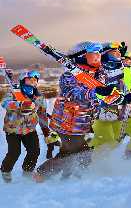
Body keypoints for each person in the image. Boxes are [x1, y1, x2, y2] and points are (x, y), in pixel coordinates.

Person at [34, 42, 123, 181]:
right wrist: (98, 92)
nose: (99, 56)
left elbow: (98, 99)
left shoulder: (100, 74)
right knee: (81, 153)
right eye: (95, 52)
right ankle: (47, 175)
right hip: (67, 122)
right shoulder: (70, 75)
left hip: (82, 122)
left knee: (68, 152)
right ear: (82, 55)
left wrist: (112, 98)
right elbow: (73, 94)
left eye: (100, 52)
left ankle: (59, 176)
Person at [0, 70, 53, 183]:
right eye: (30, 79)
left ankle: (27, 171)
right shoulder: (14, 92)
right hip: (13, 129)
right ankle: (5, 170)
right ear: (23, 80)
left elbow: (42, 115)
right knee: (14, 152)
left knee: (34, 151)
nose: (33, 82)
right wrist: (20, 104)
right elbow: (5, 103)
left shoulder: (39, 97)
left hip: (29, 129)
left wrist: (46, 132)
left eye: (35, 80)